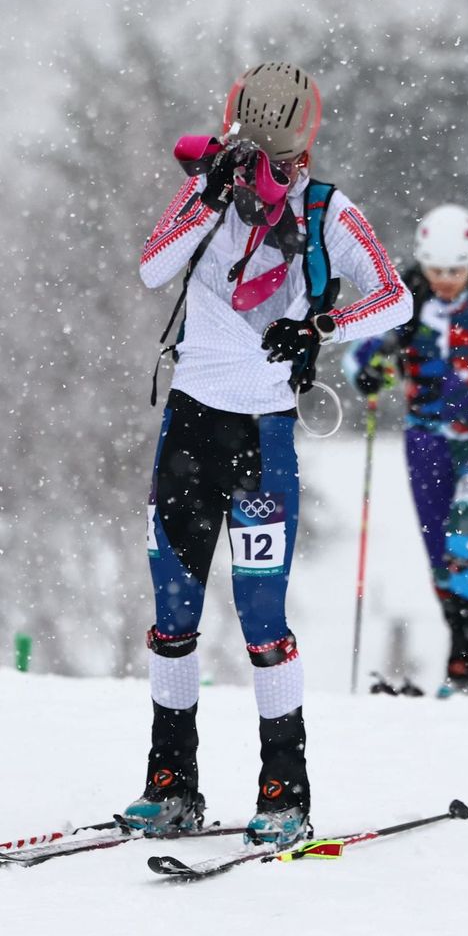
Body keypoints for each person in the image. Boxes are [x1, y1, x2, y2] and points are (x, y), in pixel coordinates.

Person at [128, 62, 411, 846]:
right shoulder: (208, 190)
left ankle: (284, 789)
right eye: (261, 156)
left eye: (282, 160)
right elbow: (154, 268)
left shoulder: (327, 211)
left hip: (262, 437)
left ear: (305, 150)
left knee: (262, 619)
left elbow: (395, 295)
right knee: (173, 614)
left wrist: (320, 327)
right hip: (189, 424)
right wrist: (211, 194)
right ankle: (170, 782)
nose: (270, 174)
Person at [343, 204, 468, 698]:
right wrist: (368, 374)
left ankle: (466, 670)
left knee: (462, 541)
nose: (446, 280)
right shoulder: (404, 296)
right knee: (440, 561)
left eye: (455, 270)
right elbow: (359, 355)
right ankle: (459, 661)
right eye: (437, 269)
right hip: (424, 442)